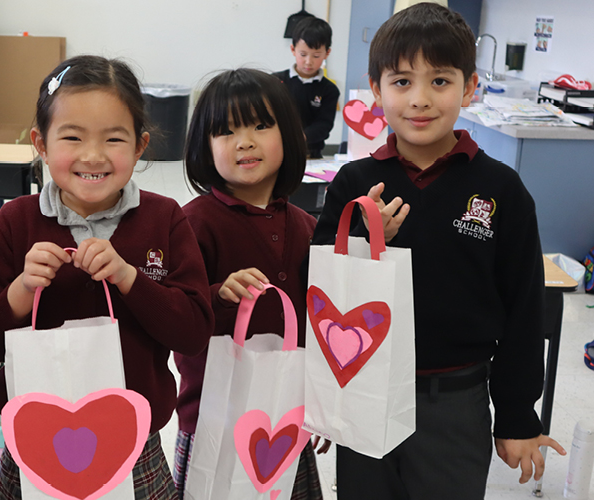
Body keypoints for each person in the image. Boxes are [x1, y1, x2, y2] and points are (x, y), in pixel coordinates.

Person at [310, 4, 566, 499]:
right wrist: (366, 242)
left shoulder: (500, 188)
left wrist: (515, 414)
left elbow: (523, 308)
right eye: (402, 81)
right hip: (364, 391)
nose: (420, 99)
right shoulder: (356, 182)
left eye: (441, 81)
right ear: (377, 87)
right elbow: (321, 288)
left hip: (455, 398)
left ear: (470, 87)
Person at [0, 55, 214, 500]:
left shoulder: (165, 219)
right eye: (72, 137)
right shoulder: (15, 221)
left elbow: (194, 332)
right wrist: (21, 290)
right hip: (35, 443)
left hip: (136, 447)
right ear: (40, 144)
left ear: (140, 146)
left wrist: (130, 278)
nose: (93, 155)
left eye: (114, 139)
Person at [172, 68, 325, 499]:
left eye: (261, 125)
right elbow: (175, 316)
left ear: (289, 135)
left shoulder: (308, 228)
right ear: (205, 146)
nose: (245, 141)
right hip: (212, 420)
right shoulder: (192, 224)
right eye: (226, 131)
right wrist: (216, 294)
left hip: (285, 418)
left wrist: (321, 406)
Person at [273, 16, 340, 159]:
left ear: (327, 53)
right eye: (303, 54)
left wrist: (300, 137)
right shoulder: (275, 81)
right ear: (293, 49)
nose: (308, 62)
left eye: (316, 56)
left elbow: (324, 124)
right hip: (277, 152)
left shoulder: (329, 90)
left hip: (311, 154)